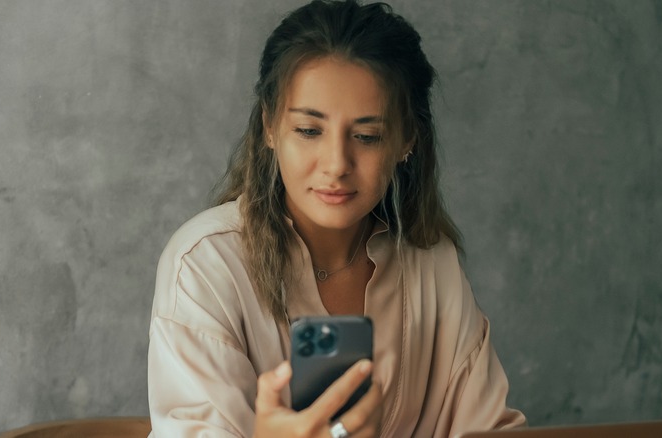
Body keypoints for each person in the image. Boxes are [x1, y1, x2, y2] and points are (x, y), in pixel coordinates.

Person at [147, 0, 526, 436]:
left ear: (406, 141)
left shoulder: (431, 263)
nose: (336, 164)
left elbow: (493, 428)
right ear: (269, 125)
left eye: (367, 136)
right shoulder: (205, 265)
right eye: (309, 130)